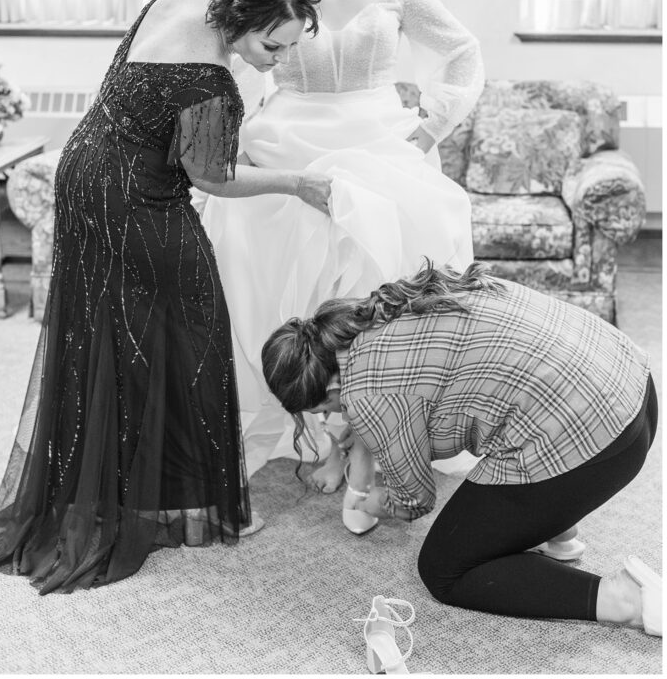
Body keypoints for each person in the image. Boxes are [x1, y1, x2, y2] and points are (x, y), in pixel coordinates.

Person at [0, 0, 327, 594]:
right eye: (273, 46)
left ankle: (122, 487)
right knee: (194, 328)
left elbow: (156, 113)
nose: (275, 60)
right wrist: (296, 182)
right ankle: (187, 503)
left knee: (108, 330)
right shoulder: (212, 83)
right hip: (135, 198)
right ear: (245, 18)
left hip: (82, 170)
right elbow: (213, 178)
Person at [202, 0, 484, 523]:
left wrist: (432, 121)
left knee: (379, 282)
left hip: (382, 142)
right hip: (289, 138)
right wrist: (227, 135)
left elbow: (464, 53)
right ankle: (309, 428)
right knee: (272, 276)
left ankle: (363, 435)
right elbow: (235, 63)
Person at [261, 261, 661, 636]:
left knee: (443, 569)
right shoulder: (383, 308)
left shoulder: (367, 394)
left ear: (331, 388)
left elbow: (414, 499)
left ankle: (623, 600)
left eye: (327, 408)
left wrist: (368, 501)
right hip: (634, 387)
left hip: (599, 442)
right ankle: (560, 529)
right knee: (513, 424)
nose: (336, 413)